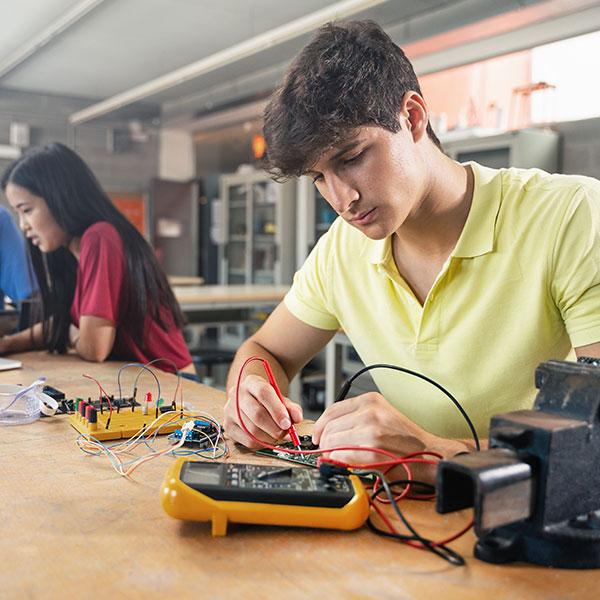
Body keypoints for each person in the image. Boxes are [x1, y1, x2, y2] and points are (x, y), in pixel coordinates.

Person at [222, 20, 600, 475]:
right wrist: (251, 393)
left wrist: (432, 452)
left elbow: (591, 438)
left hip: (528, 525)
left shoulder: (570, 215)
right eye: (319, 178)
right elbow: (267, 349)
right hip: (399, 516)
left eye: (352, 157)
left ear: (413, 117)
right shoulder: (341, 250)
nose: (342, 200)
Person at [0, 142, 193, 374]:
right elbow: (64, 325)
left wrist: (74, 332)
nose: (23, 226)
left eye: (27, 210)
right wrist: (8, 344)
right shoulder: (73, 253)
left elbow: (94, 348)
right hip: (140, 380)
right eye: (18, 213)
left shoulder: (100, 237)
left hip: (174, 385)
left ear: (59, 198)